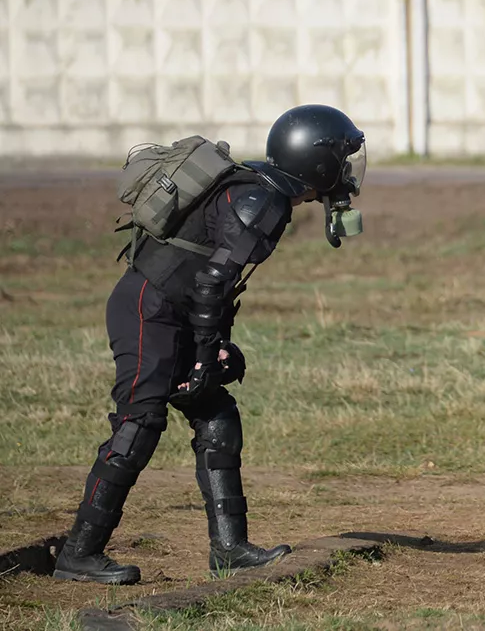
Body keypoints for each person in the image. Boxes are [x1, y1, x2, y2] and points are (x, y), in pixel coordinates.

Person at [53, 105, 367, 585]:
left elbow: (211, 280)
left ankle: (229, 549)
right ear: (315, 161)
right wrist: (205, 353)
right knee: (139, 424)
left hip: (169, 309)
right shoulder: (263, 199)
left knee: (216, 415)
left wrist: (215, 346)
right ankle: (79, 554)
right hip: (149, 309)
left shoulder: (263, 187)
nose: (347, 170)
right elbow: (212, 284)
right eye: (342, 158)